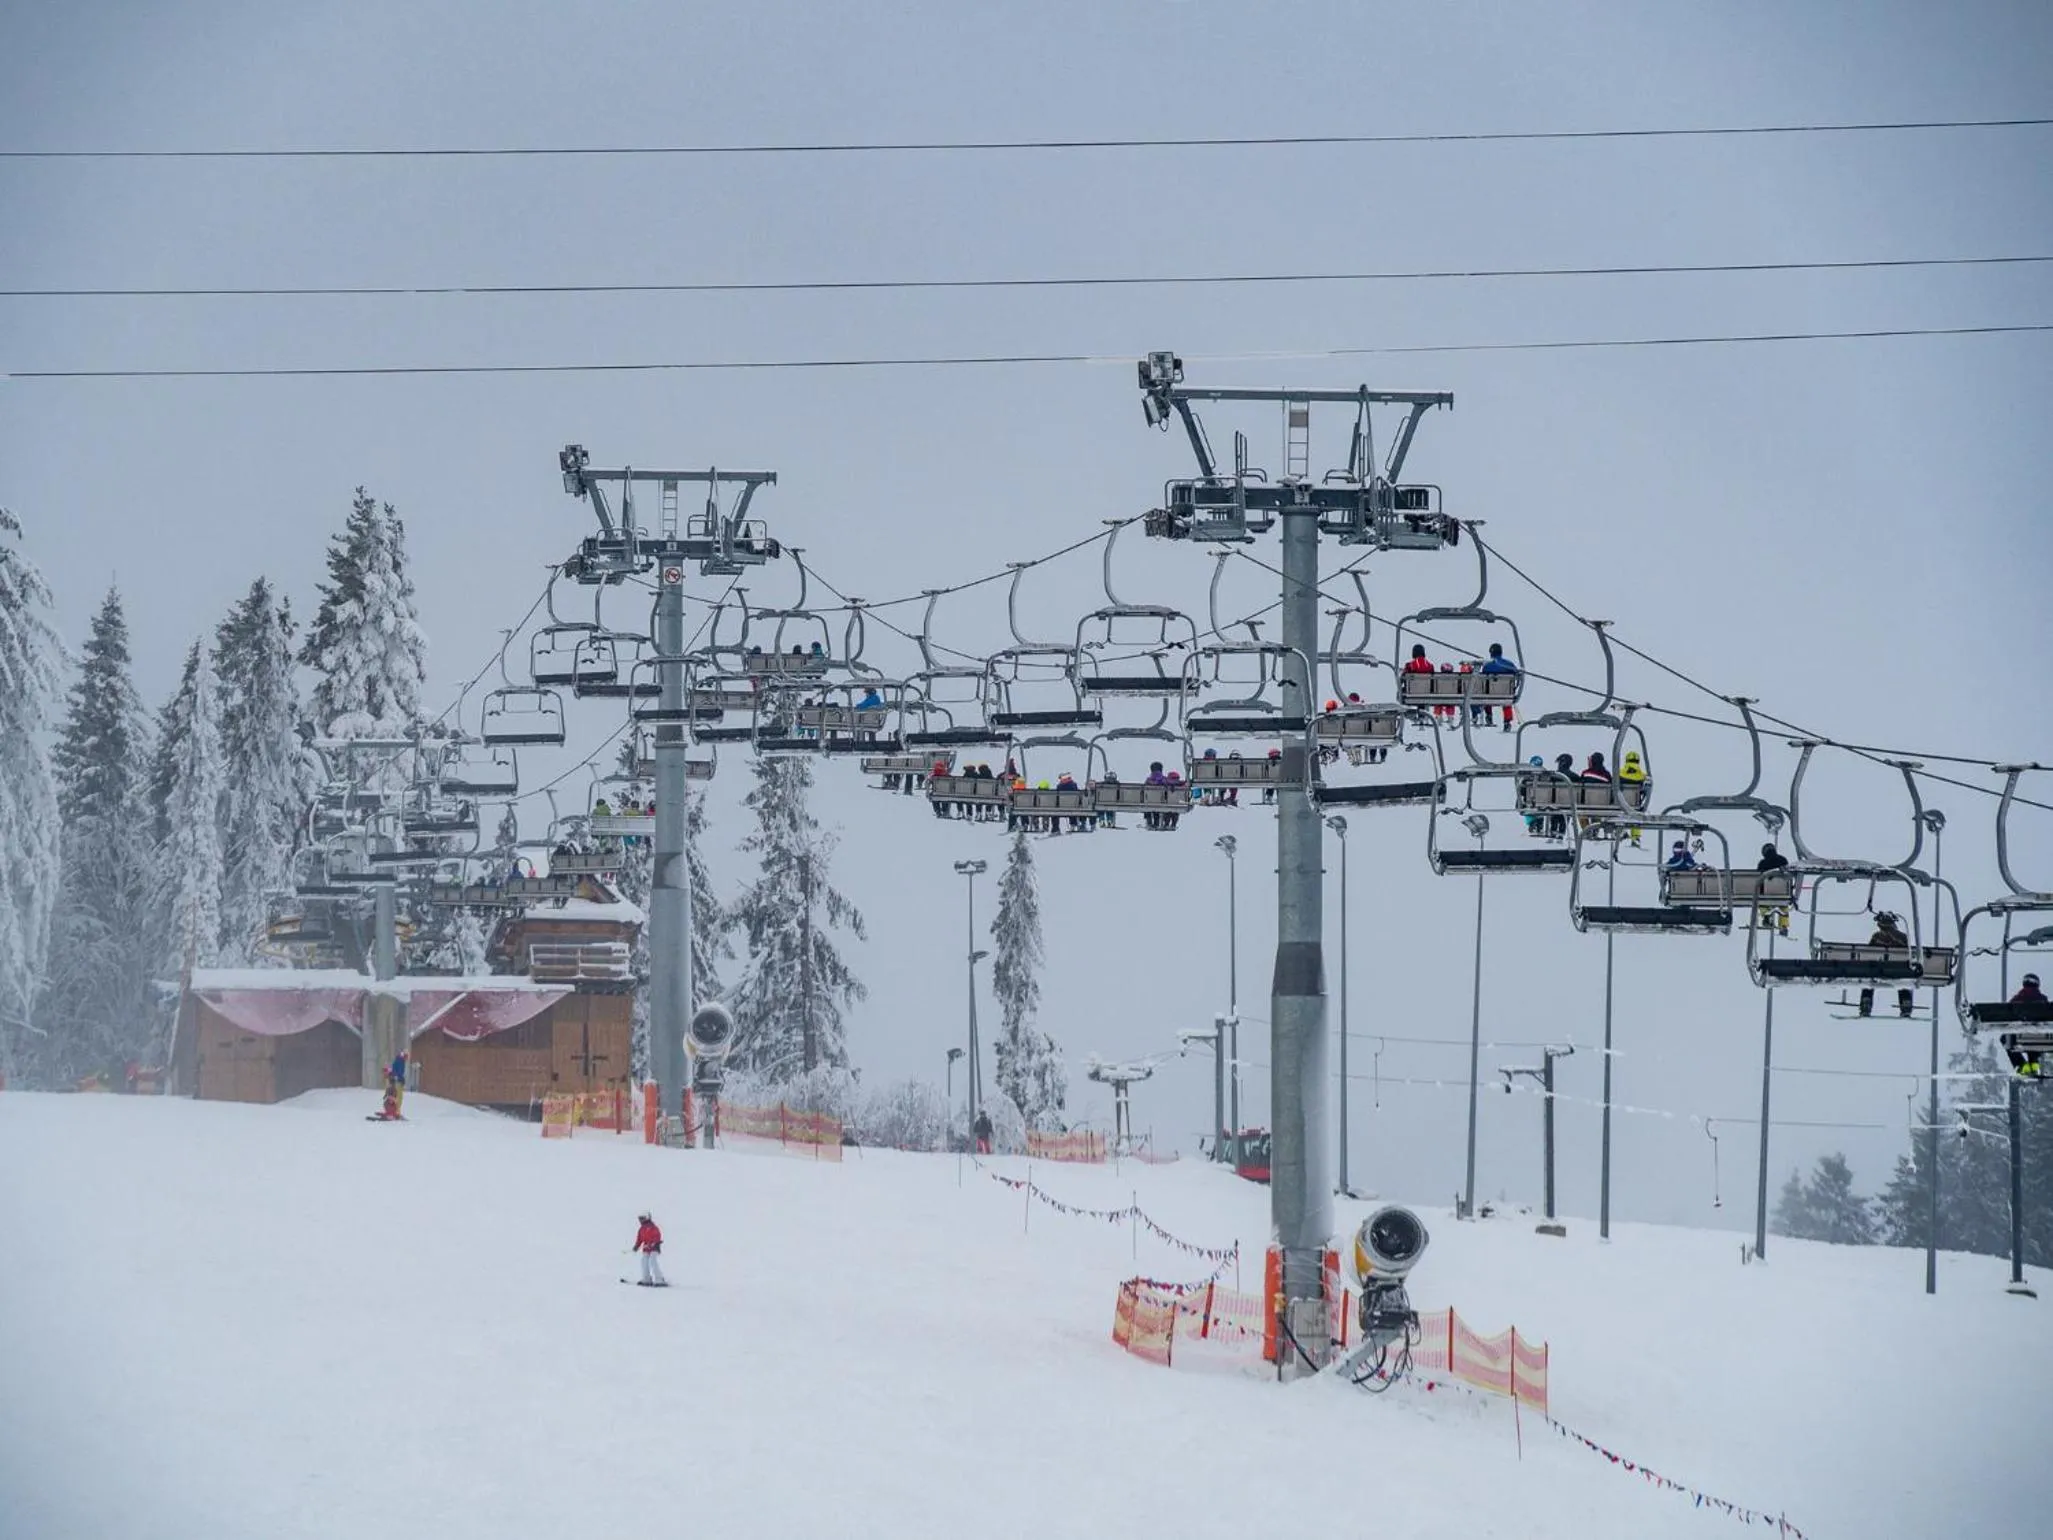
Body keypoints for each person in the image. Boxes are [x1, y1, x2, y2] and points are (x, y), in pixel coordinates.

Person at [1857, 912, 1916, 1019]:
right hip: (1899, 970)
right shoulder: (1902, 937)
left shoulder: (1877, 936)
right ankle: (1905, 1004)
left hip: (1879, 970)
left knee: (1869, 978)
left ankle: (1866, 1003)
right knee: (1904, 979)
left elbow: (1869, 953)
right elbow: (1910, 954)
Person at [1478, 642, 1520, 730]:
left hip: (1490, 695)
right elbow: (1517, 674)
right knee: (1507, 700)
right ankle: (1507, 721)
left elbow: (1483, 679)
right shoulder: (1509, 664)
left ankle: (1489, 715)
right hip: (1506, 694)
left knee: (1487, 692)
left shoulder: (1487, 665)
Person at [632, 1212, 667, 1286]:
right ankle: (646, 1279)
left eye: (642, 1218)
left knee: (652, 1261)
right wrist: (636, 1246)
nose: (641, 1220)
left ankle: (659, 1279)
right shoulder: (641, 1229)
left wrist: (653, 1243)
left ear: (647, 1218)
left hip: (654, 1248)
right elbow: (639, 1239)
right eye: (640, 1218)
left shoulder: (653, 1227)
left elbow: (657, 1236)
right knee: (644, 1261)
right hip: (646, 1249)